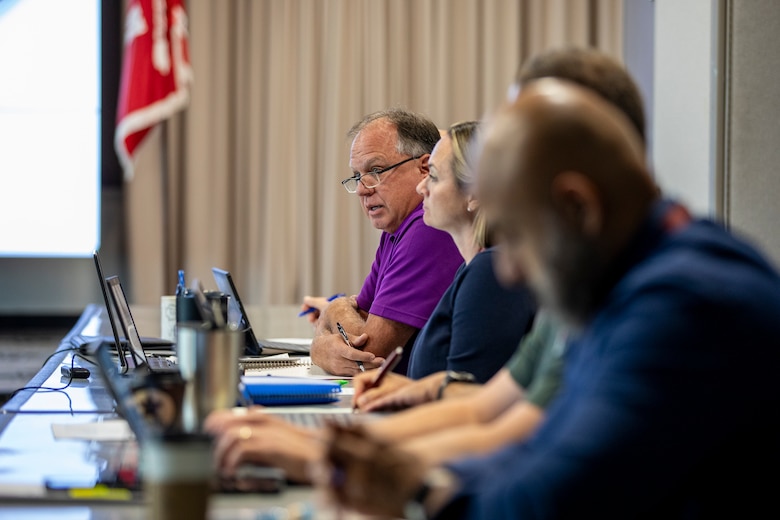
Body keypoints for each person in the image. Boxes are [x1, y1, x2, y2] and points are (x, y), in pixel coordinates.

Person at [316, 78, 780, 519]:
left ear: (577, 206)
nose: (507, 270)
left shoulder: (686, 307)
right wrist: (388, 467)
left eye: (516, 235)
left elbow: (559, 496)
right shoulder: (622, 277)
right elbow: (534, 444)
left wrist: (417, 487)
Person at [205, 46, 650, 485]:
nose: (510, 271)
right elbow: (489, 414)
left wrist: (339, 464)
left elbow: (534, 463)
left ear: (577, 201)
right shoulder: (582, 297)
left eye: (518, 214)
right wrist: (328, 452)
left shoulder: (666, 300)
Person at [306, 108, 463, 376]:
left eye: (376, 170)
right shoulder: (396, 229)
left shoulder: (427, 227)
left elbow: (369, 353)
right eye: (357, 176)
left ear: (424, 168)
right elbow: (364, 317)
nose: (362, 189)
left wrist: (335, 310)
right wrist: (327, 337)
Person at [405, 120, 535, 382]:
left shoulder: (490, 272)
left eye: (433, 176)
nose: (421, 188)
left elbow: (464, 392)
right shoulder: (472, 268)